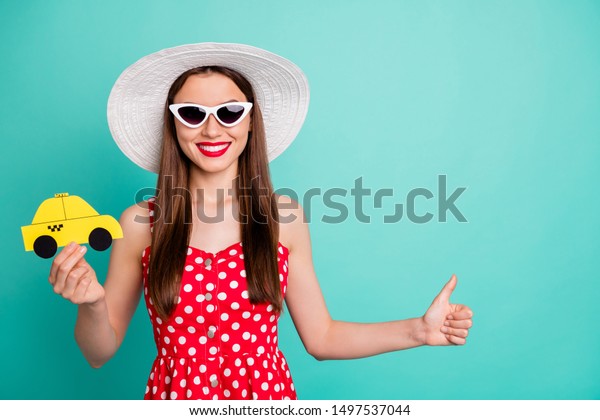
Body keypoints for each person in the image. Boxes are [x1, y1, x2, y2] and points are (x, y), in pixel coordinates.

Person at [48, 43, 474, 400]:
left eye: (230, 112)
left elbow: (322, 337)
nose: (212, 130)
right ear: (174, 126)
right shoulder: (141, 223)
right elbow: (98, 352)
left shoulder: (282, 218)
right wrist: (92, 304)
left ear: (251, 123)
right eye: (193, 115)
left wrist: (418, 330)